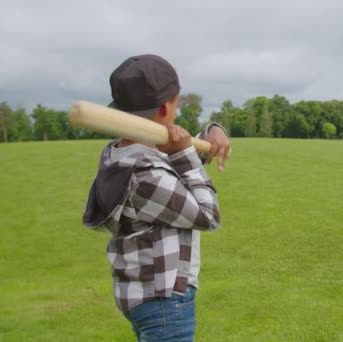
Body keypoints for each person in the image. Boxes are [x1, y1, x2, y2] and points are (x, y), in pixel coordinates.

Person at [81, 54, 230, 340]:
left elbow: (171, 151)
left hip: (147, 297)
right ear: (166, 107)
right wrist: (186, 156)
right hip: (164, 302)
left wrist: (214, 130)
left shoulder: (122, 153)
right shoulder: (143, 174)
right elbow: (208, 215)